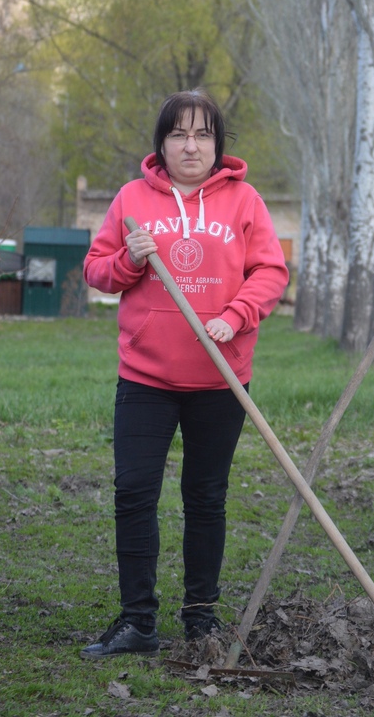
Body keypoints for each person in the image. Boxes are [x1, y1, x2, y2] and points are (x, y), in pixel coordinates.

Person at [80, 89, 289, 659]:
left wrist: (235, 316)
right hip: (145, 378)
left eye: (202, 134)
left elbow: (270, 271)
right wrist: (129, 260)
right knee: (134, 493)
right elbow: (97, 271)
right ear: (162, 144)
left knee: (205, 497)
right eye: (178, 134)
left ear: (218, 144)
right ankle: (137, 621)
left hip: (221, 377)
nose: (190, 145)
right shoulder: (130, 199)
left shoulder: (245, 201)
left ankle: (201, 616)